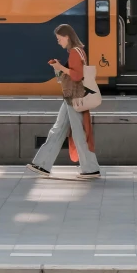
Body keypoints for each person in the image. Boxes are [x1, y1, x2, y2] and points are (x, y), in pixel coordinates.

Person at [27, 24, 101, 180]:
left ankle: (91, 169)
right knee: (58, 128)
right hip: (71, 97)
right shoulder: (79, 51)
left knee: (78, 133)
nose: (58, 42)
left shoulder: (75, 52)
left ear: (67, 37)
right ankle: (42, 164)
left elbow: (76, 76)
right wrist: (59, 68)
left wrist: (60, 66)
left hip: (74, 98)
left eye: (59, 39)